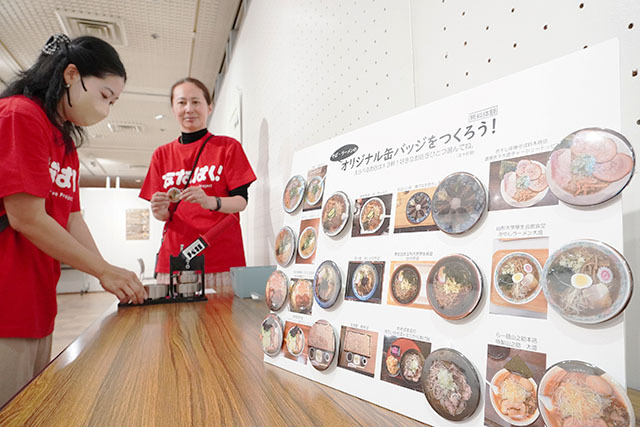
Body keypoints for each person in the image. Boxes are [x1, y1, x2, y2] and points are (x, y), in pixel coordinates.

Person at [0, 34, 147, 407]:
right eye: (104, 96)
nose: (106, 110)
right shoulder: (20, 115)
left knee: (28, 406)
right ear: (71, 75)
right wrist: (102, 271)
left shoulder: (64, 144)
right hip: (6, 300)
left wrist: (107, 270)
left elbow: (71, 218)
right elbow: (26, 217)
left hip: (38, 302)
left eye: (113, 102)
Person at [139, 77, 256, 288]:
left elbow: (241, 202)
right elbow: (163, 215)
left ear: (209, 107)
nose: (189, 109)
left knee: (223, 321)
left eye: (196, 102)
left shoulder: (228, 147)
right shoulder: (161, 155)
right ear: (173, 108)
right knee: (174, 321)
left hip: (220, 257)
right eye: (181, 102)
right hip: (176, 258)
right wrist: (158, 210)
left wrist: (211, 202)